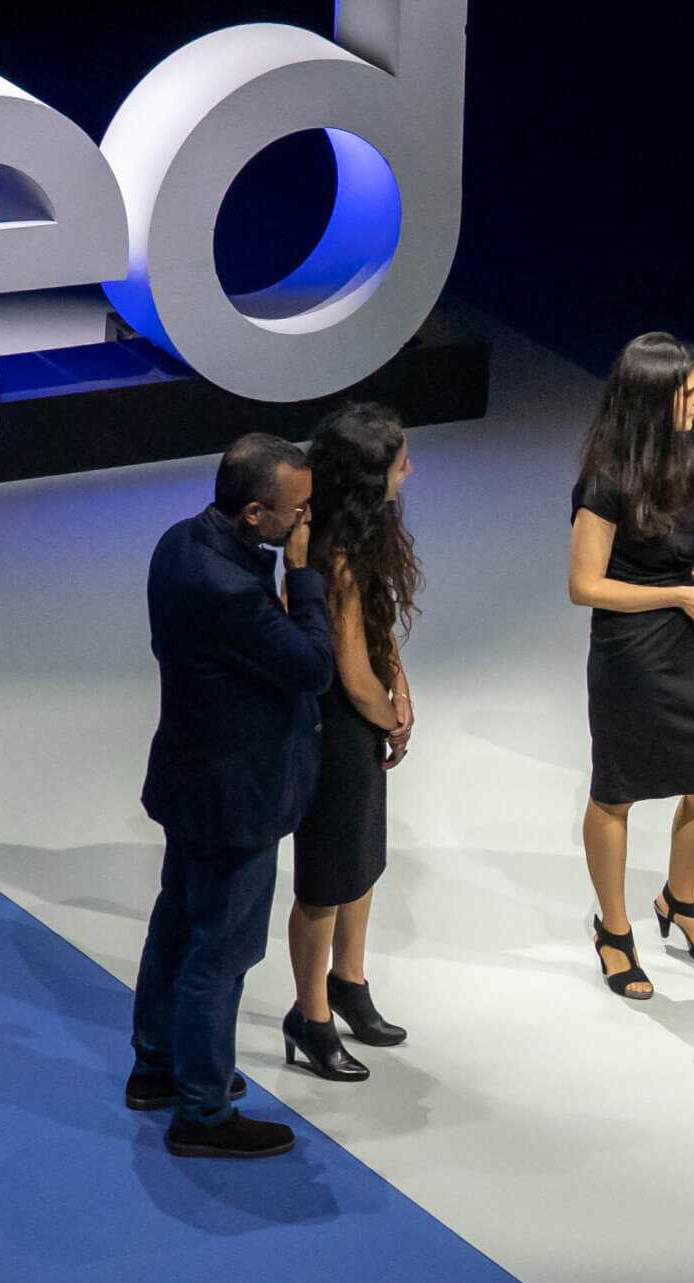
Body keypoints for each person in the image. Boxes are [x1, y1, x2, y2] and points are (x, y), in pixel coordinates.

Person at [127, 433, 331, 1158]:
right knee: (221, 954)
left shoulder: (178, 542)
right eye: (297, 510)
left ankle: (157, 1066)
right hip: (236, 798)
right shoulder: (234, 590)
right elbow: (312, 664)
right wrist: (303, 575)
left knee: (176, 925)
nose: (306, 521)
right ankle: (203, 1113)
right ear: (253, 514)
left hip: (190, 781)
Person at [568, 333, 694, 1000]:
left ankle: (679, 898)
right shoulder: (604, 479)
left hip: (693, 638)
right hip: (633, 650)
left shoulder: (689, 451)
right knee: (616, 792)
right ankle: (614, 930)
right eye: (689, 391)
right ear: (653, 400)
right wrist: (678, 594)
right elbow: (585, 585)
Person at [284, 403, 421, 1079]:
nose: (409, 472)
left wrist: (401, 689)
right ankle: (311, 1017)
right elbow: (349, 668)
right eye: (400, 464)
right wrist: (389, 713)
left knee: (362, 860)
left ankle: (349, 981)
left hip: (362, 721)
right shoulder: (329, 556)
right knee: (325, 879)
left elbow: (377, 625)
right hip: (332, 728)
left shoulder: (364, 539)